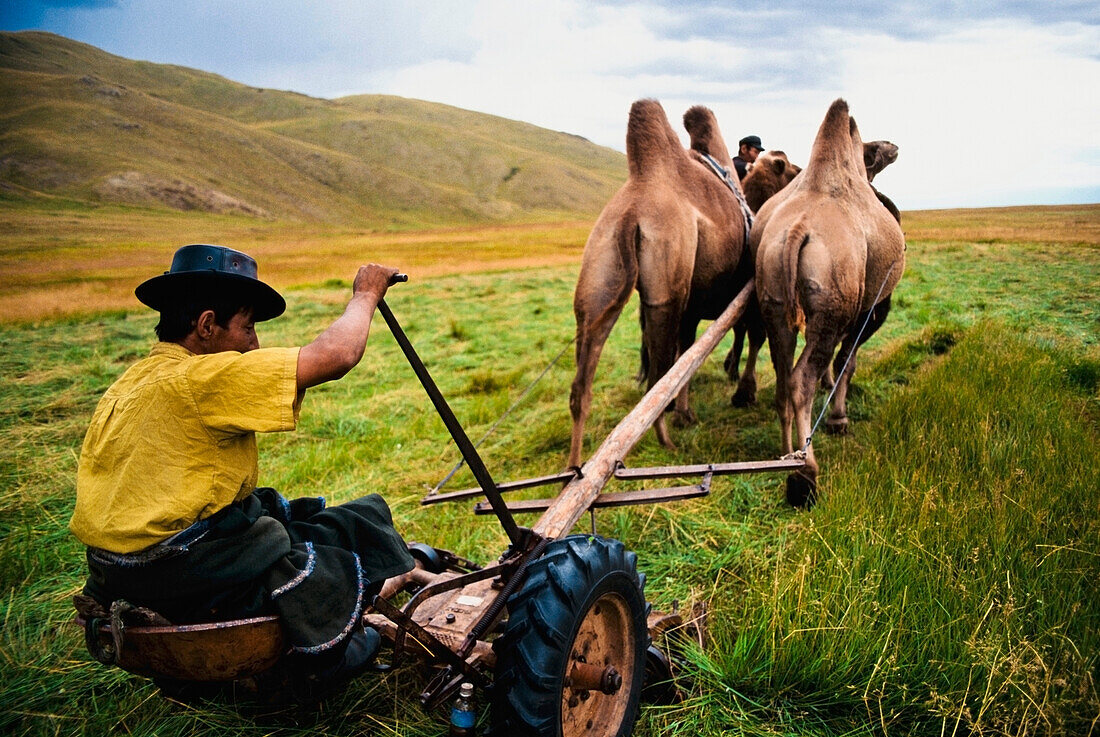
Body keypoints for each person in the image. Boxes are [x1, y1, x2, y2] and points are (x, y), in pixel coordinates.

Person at [70, 243, 415, 689]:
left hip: (113, 571)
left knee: (272, 513)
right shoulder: (201, 375)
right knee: (350, 527)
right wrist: (365, 294)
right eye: (248, 328)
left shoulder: (129, 382)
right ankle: (321, 656)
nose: (255, 344)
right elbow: (337, 355)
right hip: (174, 568)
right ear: (207, 325)